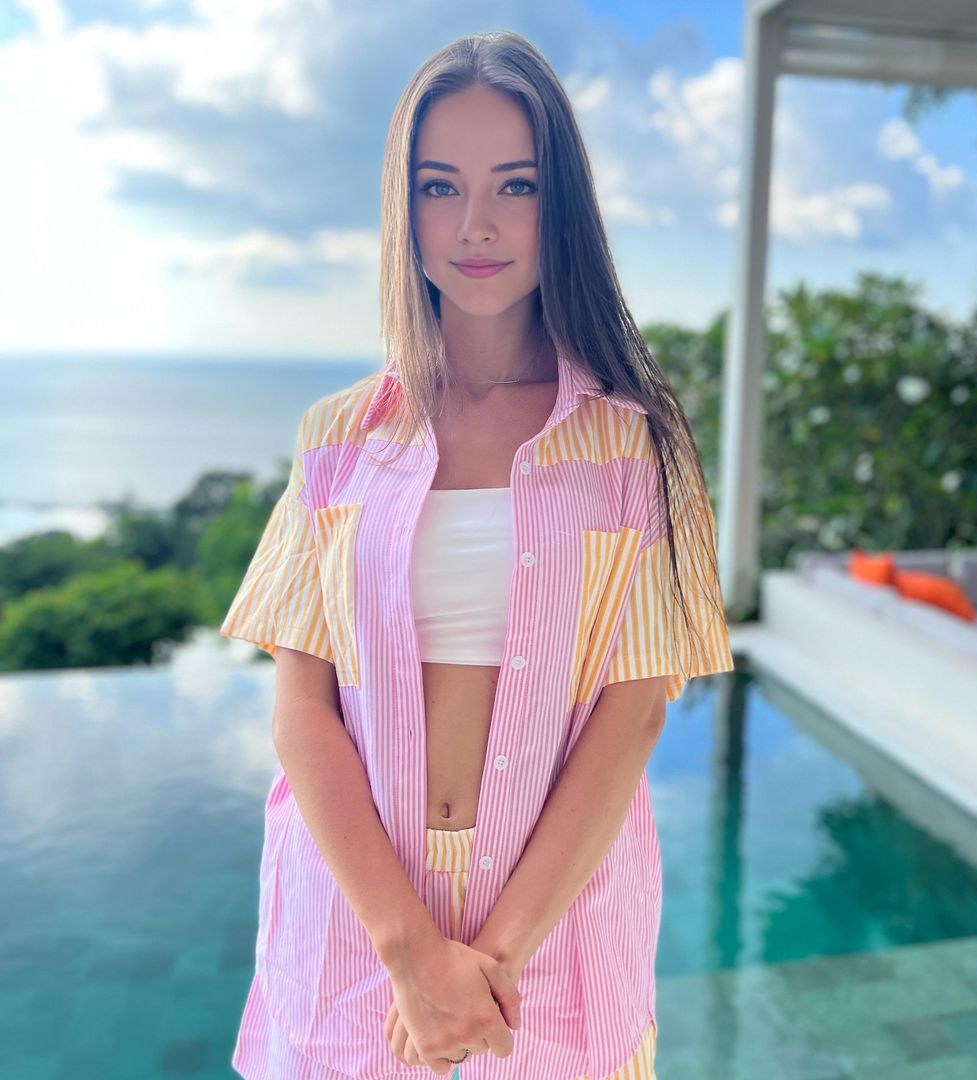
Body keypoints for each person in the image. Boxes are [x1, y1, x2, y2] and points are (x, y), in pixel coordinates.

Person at [219, 29, 734, 1080]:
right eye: (441, 186)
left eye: (517, 184)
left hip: (553, 946)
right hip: (357, 936)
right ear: (403, 208)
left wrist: (485, 967)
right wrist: (412, 953)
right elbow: (301, 711)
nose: (478, 224)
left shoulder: (638, 442)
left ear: (564, 206)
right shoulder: (338, 440)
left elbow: (632, 716)